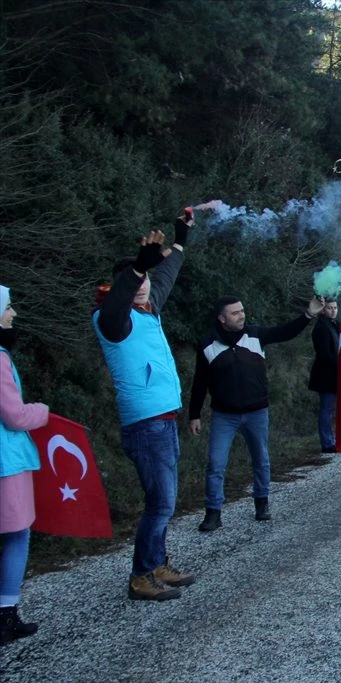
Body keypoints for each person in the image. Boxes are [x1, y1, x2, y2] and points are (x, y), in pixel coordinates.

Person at [93, 212, 196, 601]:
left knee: (164, 501)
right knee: (161, 502)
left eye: (146, 278)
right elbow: (119, 301)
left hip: (165, 419)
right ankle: (140, 576)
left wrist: (181, 239)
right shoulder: (110, 319)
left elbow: (165, 275)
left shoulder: (149, 309)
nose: (142, 287)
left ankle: (157, 564)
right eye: (135, 281)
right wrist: (137, 267)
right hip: (145, 423)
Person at [189, 294, 325, 531]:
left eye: (242, 310)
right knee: (215, 464)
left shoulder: (255, 334)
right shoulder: (207, 344)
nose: (241, 315)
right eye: (235, 312)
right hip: (224, 415)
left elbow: (285, 332)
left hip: (256, 412)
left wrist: (308, 314)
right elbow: (200, 382)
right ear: (222, 318)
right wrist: (194, 414)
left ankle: (262, 503)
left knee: (261, 460)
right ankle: (213, 513)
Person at [0, 285, 49, 643]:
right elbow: (14, 415)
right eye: (8, 307)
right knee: (17, 535)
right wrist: (41, 411)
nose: (13, 314)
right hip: (6, 459)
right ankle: (6, 613)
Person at [308, 297, 339, 454]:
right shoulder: (321, 328)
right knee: (326, 409)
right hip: (326, 375)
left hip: (335, 374)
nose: (333, 310)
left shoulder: (334, 325)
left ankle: (335, 439)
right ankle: (327, 442)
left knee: (332, 409)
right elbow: (325, 354)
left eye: (335, 307)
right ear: (323, 310)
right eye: (329, 308)